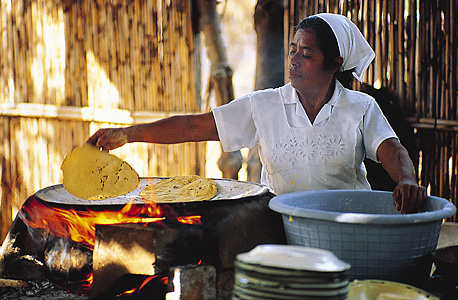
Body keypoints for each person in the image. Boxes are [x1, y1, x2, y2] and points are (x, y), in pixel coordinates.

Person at [86, 13, 426, 214]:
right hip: (282, 228)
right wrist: (127, 134)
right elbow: (195, 125)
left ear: (335, 63)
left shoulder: (359, 108)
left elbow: (392, 150)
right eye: (293, 49)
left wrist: (407, 179)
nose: (293, 59)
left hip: (348, 227)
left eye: (306, 53)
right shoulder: (264, 106)